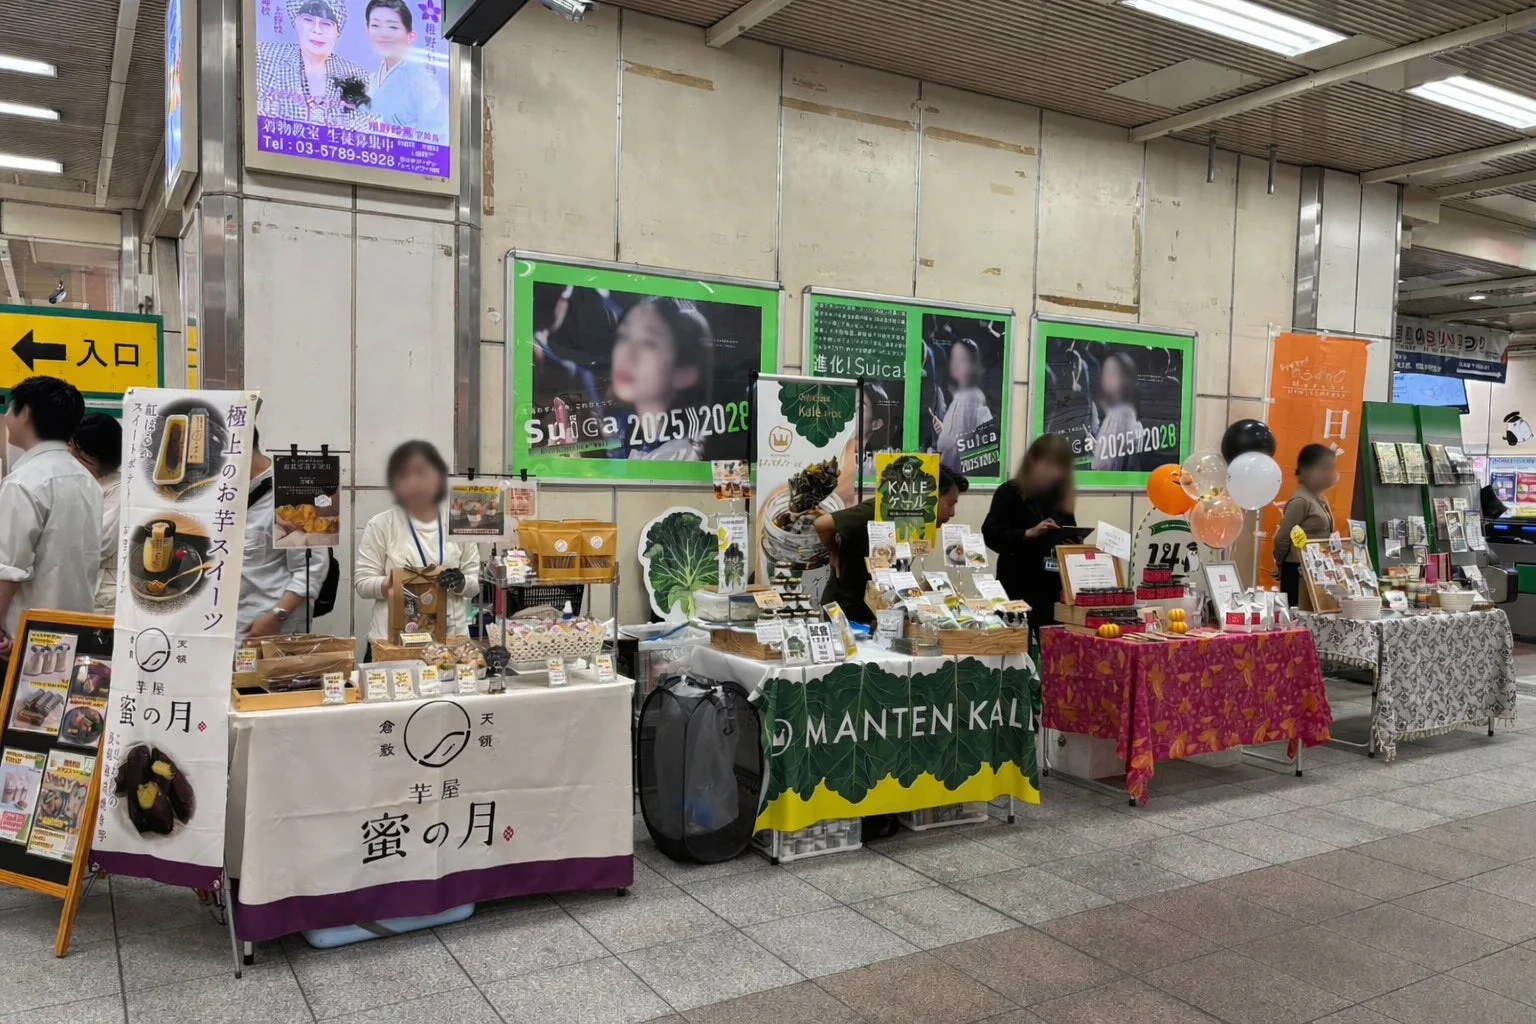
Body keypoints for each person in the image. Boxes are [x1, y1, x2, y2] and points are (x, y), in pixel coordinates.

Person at [0, 377, 101, 654]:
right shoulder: (86, 480)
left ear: (26, 414)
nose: (6, 418)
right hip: (75, 629)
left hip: (24, 639)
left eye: (10, 409)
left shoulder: (24, 482)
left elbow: (9, 568)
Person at [355, 440, 481, 645]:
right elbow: (362, 584)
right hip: (395, 638)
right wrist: (395, 582)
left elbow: (474, 585)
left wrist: (460, 582)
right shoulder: (381, 524)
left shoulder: (458, 523)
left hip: (450, 636)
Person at [815, 467, 968, 625]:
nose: (952, 513)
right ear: (932, 496)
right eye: (950, 504)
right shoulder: (881, 509)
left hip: (879, 616)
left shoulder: (914, 522)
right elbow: (822, 523)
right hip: (848, 614)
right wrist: (834, 553)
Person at [239, 429, 328, 638]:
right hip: (223, 627)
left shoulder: (292, 489)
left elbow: (312, 568)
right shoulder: (220, 490)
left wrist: (277, 616)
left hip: (271, 629)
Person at [983, 434, 1077, 630]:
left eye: (1062, 468)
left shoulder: (1059, 498)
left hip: (1051, 587)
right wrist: (1027, 533)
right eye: (1052, 466)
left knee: (1051, 644)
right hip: (1017, 583)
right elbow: (991, 534)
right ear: (1034, 461)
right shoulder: (1009, 492)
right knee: (1016, 646)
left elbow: (1071, 531)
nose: (1057, 474)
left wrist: (1072, 546)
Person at [608, 298, 714, 461]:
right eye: (624, 336)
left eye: (648, 343)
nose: (628, 354)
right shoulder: (618, 428)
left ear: (685, 371)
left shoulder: (686, 453)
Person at [255, 0, 370, 128]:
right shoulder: (265, 57)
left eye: (326, 24)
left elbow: (363, 128)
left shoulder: (355, 75)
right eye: (308, 20)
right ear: (295, 23)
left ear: (338, 32)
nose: (316, 30)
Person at [364, 0, 448, 139]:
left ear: (410, 37)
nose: (383, 34)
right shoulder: (370, 79)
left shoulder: (423, 81)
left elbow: (437, 137)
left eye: (392, 27)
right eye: (375, 25)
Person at [69, 414, 122, 617]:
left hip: (105, 591)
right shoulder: (86, 483)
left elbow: (100, 543)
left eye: (75, 448)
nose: (70, 453)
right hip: (85, 584)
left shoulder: (119, 488)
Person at [1274, 444, 1338, 605]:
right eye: (1326, 468)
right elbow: (1282, 538)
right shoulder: (1301, 500)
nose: (1331, 474)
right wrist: (1281, 565)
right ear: (1309, 470)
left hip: (1317, 569)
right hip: (1298, 572)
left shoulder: (1320, 497)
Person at [935, 337, 995, 473]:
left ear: (974, 364)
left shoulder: (972, 397)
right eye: (954, 359)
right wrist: (944, 429)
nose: (956, 365)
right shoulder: (959, 396)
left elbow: (962, 442)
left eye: (962, 360)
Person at [1090, 351, 1144, 472]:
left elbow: (1104, 466)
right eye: (1105, 372)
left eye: (1113, 373)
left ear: (1127, 379)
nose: (1107, 378)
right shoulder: (1119, 411)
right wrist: (1096, 447)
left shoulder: (1121, 414)